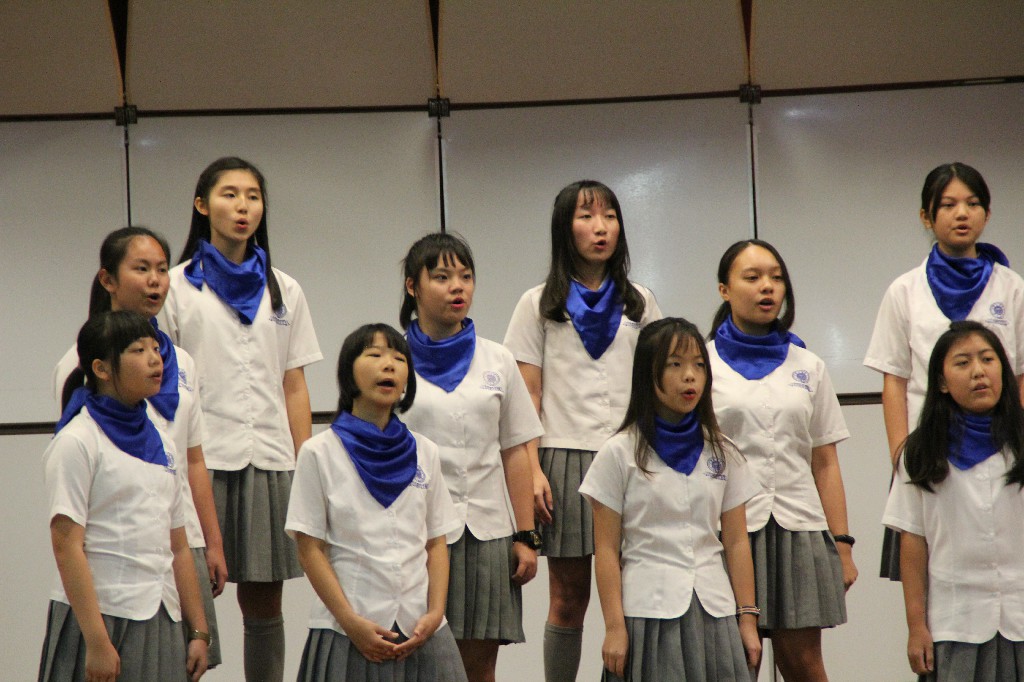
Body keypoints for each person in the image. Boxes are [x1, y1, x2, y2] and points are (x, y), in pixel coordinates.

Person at [160, 157, 322, 682]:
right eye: (229, 195)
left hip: (268, 458)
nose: (243, 206)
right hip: (198, 460)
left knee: (264, 605)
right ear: (202, 205)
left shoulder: (285, 289)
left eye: (253, 196)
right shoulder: (175, 287)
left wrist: (308, 463)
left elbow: (294, 384)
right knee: (190, 599)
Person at [503, 180, 662, 682]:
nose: (601, 227)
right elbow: (526, 397)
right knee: (568, 598)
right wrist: (532, 470)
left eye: (610, 216)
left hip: (632, 456)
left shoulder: (640, 301)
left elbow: (659, 383)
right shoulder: (537, 303)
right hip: (564, 457)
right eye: (587, 217)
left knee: (635, 595)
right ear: (564, 228)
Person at [52, 226, 225, 668]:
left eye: (163, 270)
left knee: (184, 659)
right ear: (108, 279)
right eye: (141, 268)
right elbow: (70, 528)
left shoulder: (179, 361)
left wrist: (212, 541)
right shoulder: (78, 372)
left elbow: (193, 458)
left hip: (176, 540)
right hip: (113, 568)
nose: (155, 280)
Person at [865, 162, 1024, 580]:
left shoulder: (1011, 287)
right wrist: (902, 457)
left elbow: (1020, 376)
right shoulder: (904, 290)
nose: (962, 214)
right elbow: (894, 380)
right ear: (926, 216)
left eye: (972, 203)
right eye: (949, 204)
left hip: (1000, 447)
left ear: (987, 214)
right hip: (931, 451)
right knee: (927, 573)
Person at [708, 239, 856, 682]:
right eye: (752, 277)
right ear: (724, 289)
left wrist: (843, 543)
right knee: (736, 665)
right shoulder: (702, 363)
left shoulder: (808, 364)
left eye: (776, 278)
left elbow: (825, 461)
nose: (767, 287)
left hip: (798, 527)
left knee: (804, 665)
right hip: (727, 530)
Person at [581, 317, 761, 681]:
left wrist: (747, 618)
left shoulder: (724, 451)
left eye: (698, 365)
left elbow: (737, 542)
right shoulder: (618, 452)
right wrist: (614, 627)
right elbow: (606, 551)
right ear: (648, 374)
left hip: (715, 610)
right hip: (648, 613)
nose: (690, 376)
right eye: (675, 364)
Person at [286, 323, 468, 681]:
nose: (389, 365)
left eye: (399, 359)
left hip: (421, 627)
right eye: (374, 355)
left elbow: (436, 542)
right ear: (348, 373)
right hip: (348, 629)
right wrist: (350, 622)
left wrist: (435, 612)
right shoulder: (319, 452)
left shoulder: (425, 451)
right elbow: (310, 549)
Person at [399, 233, 544, 682]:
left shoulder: (498, 359)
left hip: (486, 532)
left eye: (465, 276)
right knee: (417, 662)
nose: (457, 287)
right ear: (413, 286)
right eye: (442, 277)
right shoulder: (392, 360)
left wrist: (526, 536)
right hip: (414, 534)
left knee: (479, 668)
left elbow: (516, 452)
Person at [39, 310, 210, 681]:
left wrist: (198, 629)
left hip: (162, 613)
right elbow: (66, 545)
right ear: (101, 369)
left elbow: (179, 546)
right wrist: (97, 641)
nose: (155, 359)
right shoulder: (77, 441)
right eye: (138, 350)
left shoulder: (164, 443)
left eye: (155, 348)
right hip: (101, 617)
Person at [883, 321, 1024, 680]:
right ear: (942, 382)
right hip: (955, 623)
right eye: (963, 362)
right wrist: (916, 626)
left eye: (988, 359)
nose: (978, 372)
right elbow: (912, 542)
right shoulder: (920, 452)